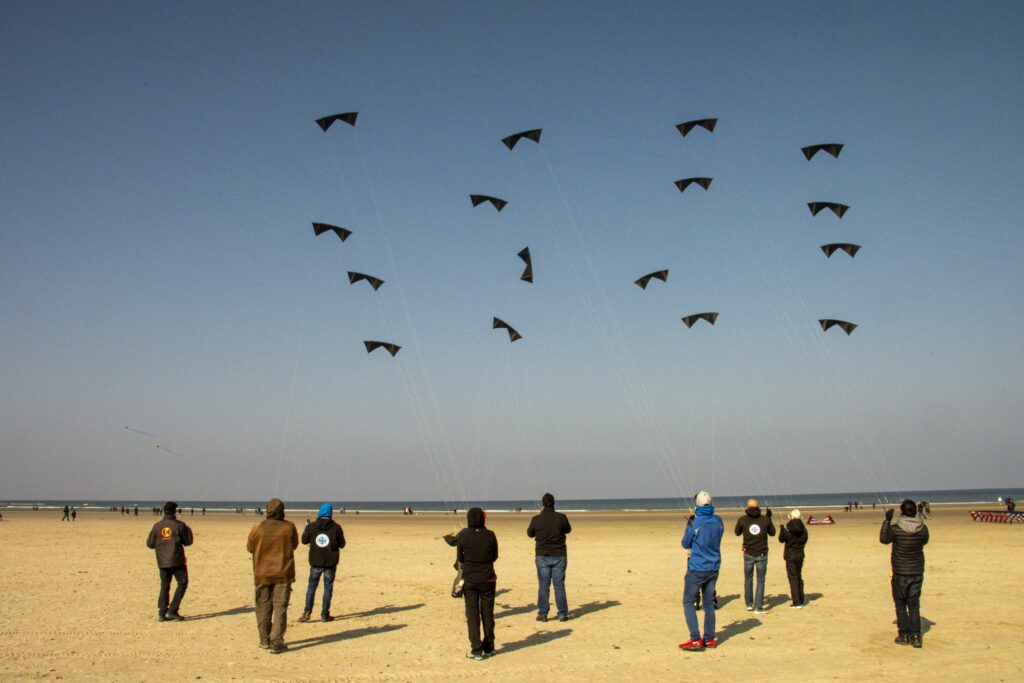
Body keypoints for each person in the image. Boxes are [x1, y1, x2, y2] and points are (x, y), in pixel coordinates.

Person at [246, 498, 299, 653]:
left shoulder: (258, 527)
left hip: (263, 573)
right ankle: (276, 640)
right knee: (279, 607)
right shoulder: (289, 527)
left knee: (263, 607)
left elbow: (250, 547)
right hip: (282, 572)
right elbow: (294, 545)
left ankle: (265, 639)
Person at [450, 508, 498, 661]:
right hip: (487, 578)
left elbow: (460, 559)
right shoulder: (490, 535)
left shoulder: (464, 534)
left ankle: (477, 649)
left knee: (472, 615)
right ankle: (489, 647)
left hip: (470, 579)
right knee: (487, 614)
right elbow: (494, 556)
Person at [880, 499, 929, 648]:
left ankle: (904, 635)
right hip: (916, 572)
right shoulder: (923, 529)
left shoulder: (896, 529)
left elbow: (884, 539)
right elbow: (925, 540)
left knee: (901, 604)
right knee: (914, 604)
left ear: (902, 512)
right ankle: (915, 636)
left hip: (901, 572)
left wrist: (887, 521)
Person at [679, 491, 724, 651]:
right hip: (714, 566)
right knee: (708, 604)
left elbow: (685, 543)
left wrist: (690, 526)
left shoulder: (696, 523)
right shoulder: (718, 520)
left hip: (698, 568)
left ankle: (695, 638)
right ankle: (709, 638)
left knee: (688, 602)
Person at [526, 493, 572, 622]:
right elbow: (568, 530)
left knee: (544, 585)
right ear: (553, 504)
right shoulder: (561, 517)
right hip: (557, 555)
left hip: (545, 556)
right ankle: (562, 613)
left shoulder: (537, 519)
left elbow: (530, 533)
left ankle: (543, 613)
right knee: (559, 585)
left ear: (543, 504)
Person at [146, 501, 194, 621]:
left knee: (165, 586)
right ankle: (172, 610)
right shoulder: (179, 525)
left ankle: (162, 612)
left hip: (162, 560)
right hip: (176, 560)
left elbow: (150, 543)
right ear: (174, 511)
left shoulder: (157, 526)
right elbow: (188, 542)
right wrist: (188, 530)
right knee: (182, 583)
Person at [298, 503, 346, 622]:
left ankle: (310, 613)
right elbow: (304, 541)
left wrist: (308, 528)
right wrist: (307, 527)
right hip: (325, 562)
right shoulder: (333, 528)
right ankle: (322, 614)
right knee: (326, 588)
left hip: (320, 562)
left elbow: (342, 544)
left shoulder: (316, 527)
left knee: (312, 587)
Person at [734, 498, 775, 612]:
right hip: (753, 552)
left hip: (756, 553)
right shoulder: (747, 519)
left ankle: (752, 604)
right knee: (759, 579)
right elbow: (737, 532)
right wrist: (768, 519)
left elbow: (772, 533)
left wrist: (768, 519)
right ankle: (753, 605)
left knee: (750, 579)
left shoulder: (761, 519)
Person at [778, 509, 808, 608]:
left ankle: (797, 602)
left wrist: (782, 530)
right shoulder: (803, 529)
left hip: (791, 555)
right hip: (799, 555)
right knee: (798, 576)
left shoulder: (790, 529)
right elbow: (783, 539)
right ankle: (801, 599)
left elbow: (781, 539)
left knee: (793, 578)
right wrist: (783, 529)